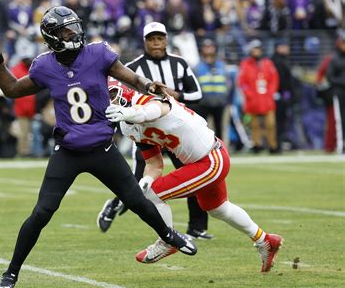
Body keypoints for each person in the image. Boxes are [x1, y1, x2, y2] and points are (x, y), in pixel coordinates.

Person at [0, 6, 196, 288]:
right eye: (65, 30)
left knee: (136, 200)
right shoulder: (45, 65)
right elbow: (11, 90)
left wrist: (149, 85)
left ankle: (170, 235)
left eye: (74, 27)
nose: (73, 33)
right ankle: (11, 273)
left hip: (102, 147)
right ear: (53, 36)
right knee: (42, 212)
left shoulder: (98, 54)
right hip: (69, 149)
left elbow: (130, 77)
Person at [105, 82, 283, 271]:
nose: (111, 99)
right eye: (105, 96)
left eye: (113, 93)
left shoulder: (146, 101)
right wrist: (145, 181)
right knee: (217, 208)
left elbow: (154, 110)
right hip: (201, 162)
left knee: (154, 195)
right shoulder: (126, 127)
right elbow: (154, 164)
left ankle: (168, 241)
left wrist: (129, 113)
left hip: (211, 159)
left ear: (124, 89)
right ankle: (265, 241)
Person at [97, 22, 213, 241]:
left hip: (175, 131)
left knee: (193, 173)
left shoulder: (179, 63)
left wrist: (173, 95)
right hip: (145, 130)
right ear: (144, 42)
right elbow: (121, 96)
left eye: (160, 38)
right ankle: (114, 206)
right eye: (151, 39)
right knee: (138, 180)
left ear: (167, 40)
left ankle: (197, 227)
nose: (156, 43)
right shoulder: (133, 67)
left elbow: (197, 94)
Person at [238, 39, 280, 154]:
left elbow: (274, 79)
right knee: (254, 125)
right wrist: (249, 94)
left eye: (258, 49)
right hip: (253, 100)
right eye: (254, 49)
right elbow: (242, 82)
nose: (257, 51)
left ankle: (272, 145)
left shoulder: (268, 63)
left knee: (270, 124)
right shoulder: (245, 64)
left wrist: (271, 92)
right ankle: (257, 145)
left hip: (266, 99)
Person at [326, 30, 345, 154]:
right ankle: (341, 145)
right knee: (340, 118)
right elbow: (330, 76)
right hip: (339, 91)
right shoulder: (334, 59)